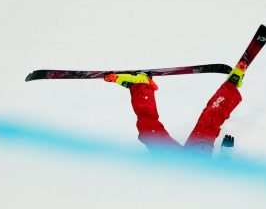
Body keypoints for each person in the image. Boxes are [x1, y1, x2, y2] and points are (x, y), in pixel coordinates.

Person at [104, 62, 248, 155]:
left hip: (172, 166)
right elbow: (221, 182)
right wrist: (226, 154)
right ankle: (231, 85)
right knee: (208, 122)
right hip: (198, 163)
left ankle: (141, 84)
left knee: (148, 131)